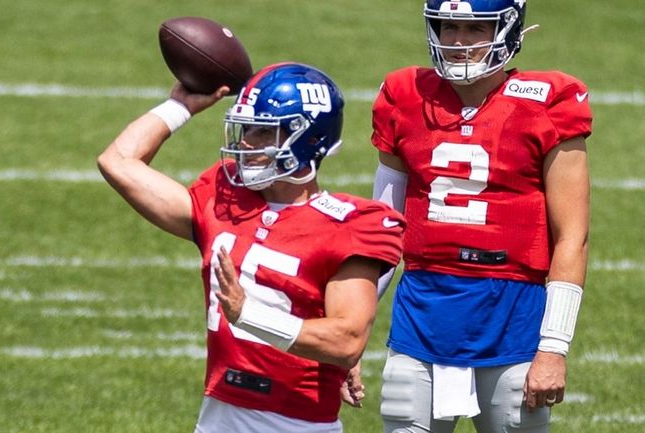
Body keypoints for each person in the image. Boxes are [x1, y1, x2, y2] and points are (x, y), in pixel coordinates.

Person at [97, 62, 404, 433]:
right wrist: (180, 106)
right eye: (247, 129)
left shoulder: (350, 224)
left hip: (298, 424)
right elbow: (117, 162)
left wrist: (247, 314)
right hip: (217, 416)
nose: (245, 143)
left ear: (306, 139)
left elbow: (346, 340)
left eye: (262, 132)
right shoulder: (224, 199)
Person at [369, 1, 592, 432]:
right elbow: (383, 230)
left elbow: (573, 237)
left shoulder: (549, 102)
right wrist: (352, 332)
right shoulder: (404, 94)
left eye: (474, 29)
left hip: (512, 316)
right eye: (447, 26)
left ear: (508, 28)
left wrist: (554, 348)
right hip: (422, 312)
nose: (457, 42)